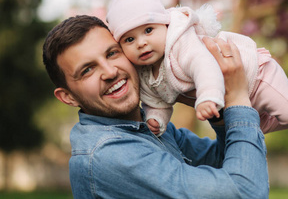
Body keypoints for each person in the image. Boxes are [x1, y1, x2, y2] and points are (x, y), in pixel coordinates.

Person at [42, 15, 269, 199]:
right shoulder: (109, 154)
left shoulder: (144, 125)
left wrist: (213, 101)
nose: (110, 72)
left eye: (112, 53)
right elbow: (245, 191)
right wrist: (237, 98)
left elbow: (221, 161)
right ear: (68, 97)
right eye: (87, 70)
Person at [106, 0, 288, 153]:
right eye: (129, 40)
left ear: (165, 25)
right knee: (254, 129)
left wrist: (207, 97)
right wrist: (157, 120)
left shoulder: (180, 43)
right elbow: (156, 101)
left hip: (257, 78)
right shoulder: (144, 74)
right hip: (235, 100)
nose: (141, 43)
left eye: (148, 30)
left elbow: (204, 66)